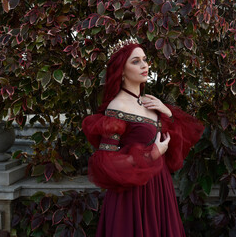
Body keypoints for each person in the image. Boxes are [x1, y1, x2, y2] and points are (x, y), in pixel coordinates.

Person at [81, 38, 204, 237]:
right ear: (121, 70)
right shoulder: (117, 107)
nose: (144, 65)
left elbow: (176, 144)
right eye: (135, 61)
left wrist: (167, 113)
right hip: (134, 195)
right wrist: (152, 154)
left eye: (145, 60)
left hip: (159, 188)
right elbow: (106, 162)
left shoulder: (149, 102)